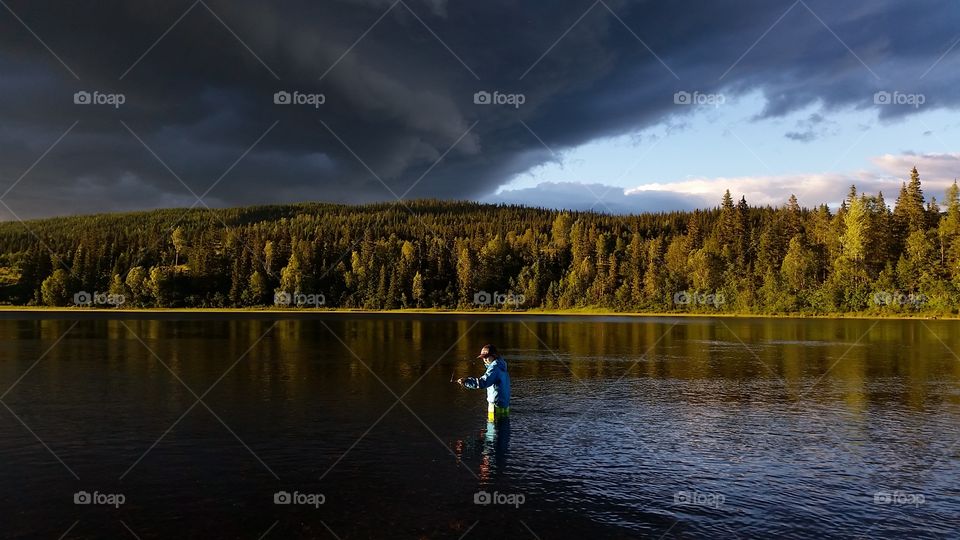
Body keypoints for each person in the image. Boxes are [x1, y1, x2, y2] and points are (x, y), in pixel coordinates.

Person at [458, 344, 511, 420]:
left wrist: (466, 382)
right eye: (483, 357)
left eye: (486, 357)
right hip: (504, 405)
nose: (484, 359)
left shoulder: (494, 368)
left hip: (495, 405)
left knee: (493, 429)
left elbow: (483, 382)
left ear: (494, 355)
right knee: (503, 429)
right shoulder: (501, 365)